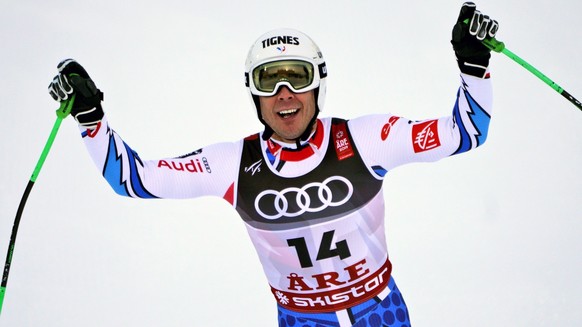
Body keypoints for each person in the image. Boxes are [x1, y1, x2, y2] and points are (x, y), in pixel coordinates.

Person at [48, 2, 499, 326]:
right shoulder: (231, 164)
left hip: (379, 311)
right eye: (269, 78)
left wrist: (473, 64)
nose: (285, 91)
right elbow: (133, 179)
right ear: (254, 92)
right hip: (302, 320)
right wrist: (92, 119)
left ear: (317, 83)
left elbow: (466, 132)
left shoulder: (365, 139)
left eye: (297, 75)